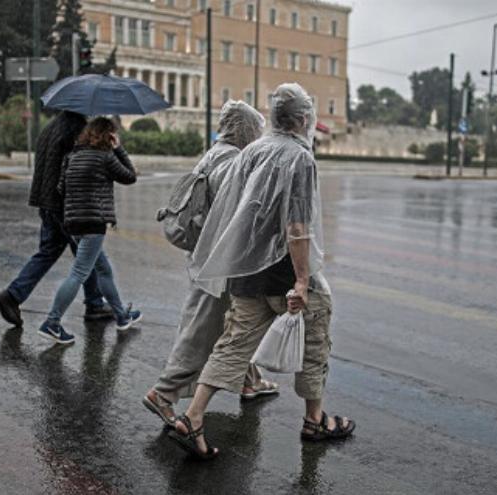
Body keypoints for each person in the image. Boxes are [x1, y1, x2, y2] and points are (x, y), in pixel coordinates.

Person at [169, 84, 354, 460]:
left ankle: (192, 416)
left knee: (233, 346)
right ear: (303, 119)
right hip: (285, 273)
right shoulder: (300, 158)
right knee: (314, 342)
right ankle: (314, 420)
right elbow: (298, 227)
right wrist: (302, 281)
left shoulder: (252, 151)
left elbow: (235, 210)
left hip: (246, 274)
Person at [142, 100, 278, 427]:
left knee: (238, 323)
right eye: (255, 130)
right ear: (245, 130)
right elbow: (237, 215)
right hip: (218, 263)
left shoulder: (213, 153)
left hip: (209, 257)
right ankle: (163, 393)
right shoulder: (232, 162)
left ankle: (250, 379)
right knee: (203, 330)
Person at [0, 111, 112, 328]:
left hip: (46, 202)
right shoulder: (77, 130)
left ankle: (12, 296)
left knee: (48, 252)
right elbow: (79, 167)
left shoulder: (51, 126)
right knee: (88, 253)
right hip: (65, 205)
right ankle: (94, 305)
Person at [38, 117, 141, 344]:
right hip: (93, 224)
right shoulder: (105, 158)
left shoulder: (71, 157)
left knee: (103, 269)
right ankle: (52, 322)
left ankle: (122, 316)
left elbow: (61, 187)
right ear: (108, 135)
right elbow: (130, 176)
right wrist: (119, 148)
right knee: (79, 273)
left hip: (73, 224)